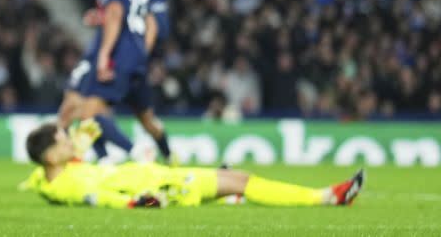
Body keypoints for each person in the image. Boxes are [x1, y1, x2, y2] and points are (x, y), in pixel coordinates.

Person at [22, 122, 365, 209]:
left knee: (232, 180)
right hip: (163, 186)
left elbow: (38, 178)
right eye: (63, 140)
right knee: (241, 179)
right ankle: (327, 197)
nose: (71, 142)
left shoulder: (49, 177)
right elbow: (96, 197)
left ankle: (230, 198)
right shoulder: (69, 183)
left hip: (156, 174)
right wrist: (135, 202)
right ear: (51, 155)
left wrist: (74, 149)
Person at [57, 0, 172, 163]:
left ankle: (135, 152)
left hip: (121, 54)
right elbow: (138, 17)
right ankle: (104, 161)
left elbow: (120, 14)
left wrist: (104, 55)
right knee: (89, 111)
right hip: (131, 54)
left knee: (89, 115)